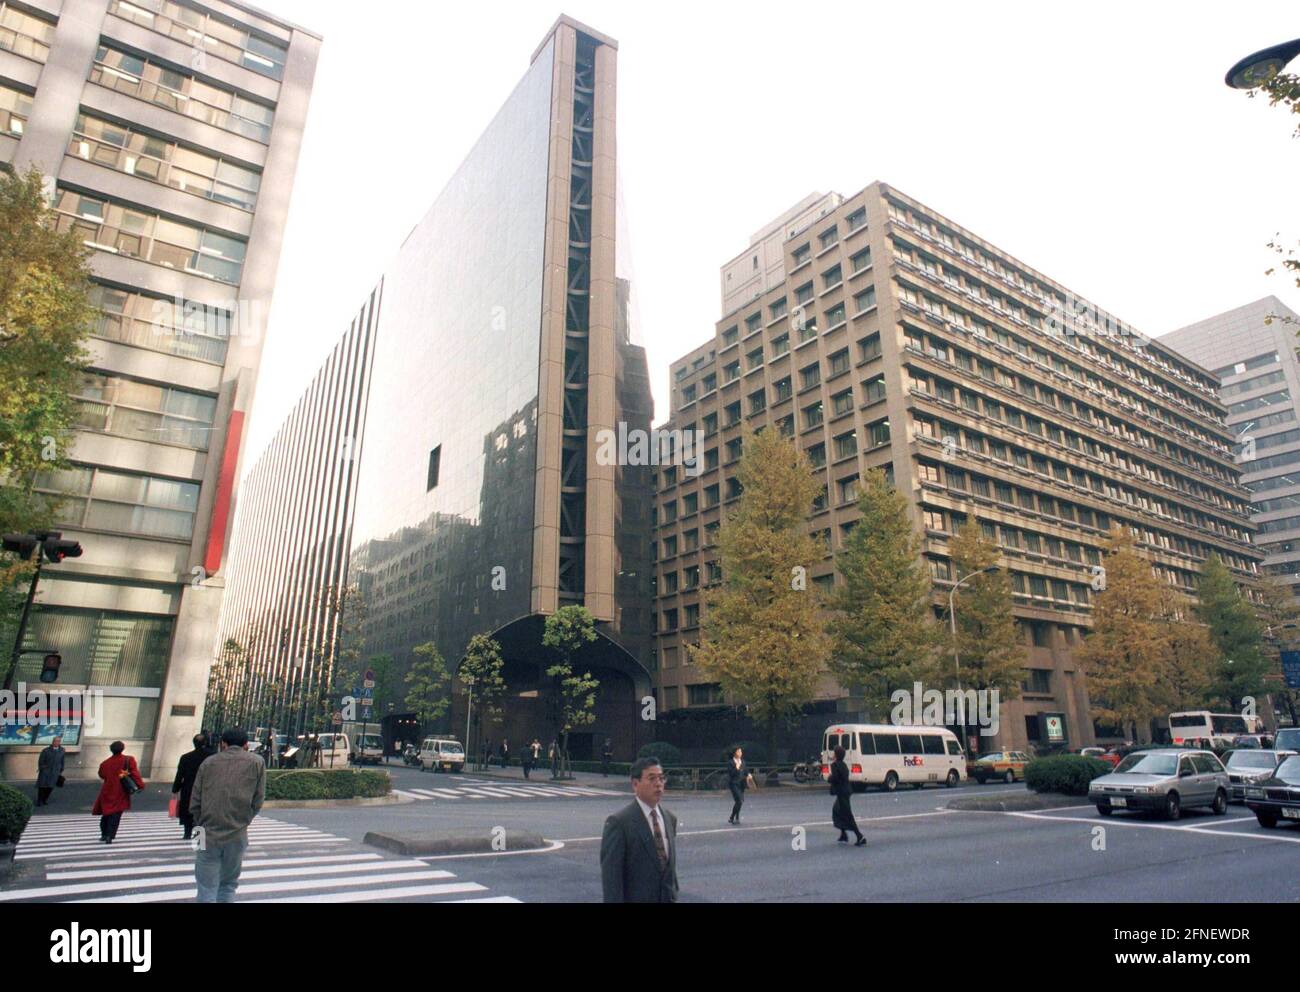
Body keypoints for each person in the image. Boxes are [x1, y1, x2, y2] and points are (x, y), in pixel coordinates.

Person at [190, 728, 266, 903]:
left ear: (223, 743)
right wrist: (245, 819)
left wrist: (199, 822)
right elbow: (258, 799)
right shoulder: (257, 762)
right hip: (237, 831)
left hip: (204, 830)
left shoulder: (209, 762)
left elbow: (195, 800)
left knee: (204, 884)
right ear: (246, 745)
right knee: (229, 883)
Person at [600, 758, 679, 903]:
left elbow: (669, 872)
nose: (658, 784)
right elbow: (612, 882)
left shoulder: (669, 819)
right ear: (635, 784)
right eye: (652, 778)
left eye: (661, 778)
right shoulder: (619, 823)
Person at [91, 741, 145, 844]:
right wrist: (140, 785)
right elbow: (134, 773)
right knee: (116, 814)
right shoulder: (128, 760)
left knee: (106, 813)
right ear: (122, 749)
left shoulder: (105, 763)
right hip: (120, 790)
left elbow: (102, 775)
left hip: (107, 790)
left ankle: (104, 833)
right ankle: (110, 835)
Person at [172, 733, 214, 841]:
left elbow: (179, 774)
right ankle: (199, 834)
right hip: (206, 787)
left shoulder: (186, 757)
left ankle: (187, 832)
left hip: (188, 787)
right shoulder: (211, 757)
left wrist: (175, 789)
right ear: (205, 743)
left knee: (187, 809)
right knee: (202, 810)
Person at [829, 745, 865, 847]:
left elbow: (835, 778)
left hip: (842, 792)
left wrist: (829, 778)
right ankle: (843, 833)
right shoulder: (843, 764)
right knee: (837, 810)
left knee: (847, 814)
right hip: (845, 791)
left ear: (836, 755)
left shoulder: (835, 765)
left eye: (834, 753)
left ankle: (859, 836)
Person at [726, 746, 754, 825]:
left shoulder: (743, 762)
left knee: (739, 801)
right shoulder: (730, 762)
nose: (740, 753)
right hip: (733, 783)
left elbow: (746, 771)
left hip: (741, 783)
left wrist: (749, 774)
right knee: (739, 800)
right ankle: (732, 817)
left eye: (741, 752)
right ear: (734, 753)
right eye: (738, 752)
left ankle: (736, 817)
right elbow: (731, 774)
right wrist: (736, 768)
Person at [35, 736, 65, 806]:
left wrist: (61, 769)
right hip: (45, 771)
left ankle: (45, 799)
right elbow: (41, 761)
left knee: (50, 787)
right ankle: (39, 801)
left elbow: (62, 761)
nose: (57, 742)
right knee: (42, 786)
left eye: (58, 741)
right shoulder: (46, 750)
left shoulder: (62, 750)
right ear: (53, 742)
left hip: (55, 772)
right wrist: (42, 768)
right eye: (55, 741)